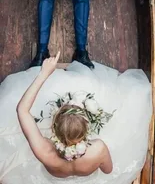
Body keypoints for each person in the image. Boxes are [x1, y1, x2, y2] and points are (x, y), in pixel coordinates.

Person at [0, 55, 152, 184]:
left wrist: (44, 73)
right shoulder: (98, 149)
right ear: (87, 129)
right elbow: (108, 170)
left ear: (54, 127)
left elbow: (22, 109)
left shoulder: (43, 150)